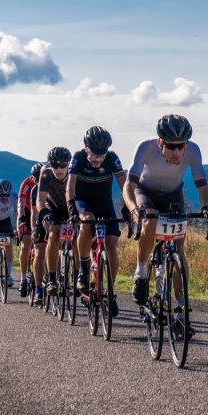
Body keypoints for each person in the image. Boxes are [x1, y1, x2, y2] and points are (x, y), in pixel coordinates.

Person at [122, 114, 208, 333]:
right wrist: (134, 209)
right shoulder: (145, 148)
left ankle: (182, 311)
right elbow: (128, 186)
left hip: (173, 194)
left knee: (179, 250)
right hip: (145, 192)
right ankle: (141, 273)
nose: (177, 152)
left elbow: (202, 187)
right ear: (160, 142)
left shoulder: (193, 151)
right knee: (150, 223)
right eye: (171, 146)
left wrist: (207, 207)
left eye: (181, 146)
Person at [66, 126, 129, 317]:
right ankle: (83, 270)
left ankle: (109, 291)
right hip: (82, 203)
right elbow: (70, 187)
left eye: (102, 155)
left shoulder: (112, 158)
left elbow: (124, 185)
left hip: (105, 204)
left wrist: (128, 207)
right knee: (87, 221)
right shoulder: (77, 158)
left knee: (111, 247)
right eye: (94, 155)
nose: (98, 159)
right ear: (86, 149)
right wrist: (71, 208)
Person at [32, 147, 74, 299]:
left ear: (68, 164)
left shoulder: (75, 174)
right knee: (54, 234)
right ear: (50, 165)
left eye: (63, 165)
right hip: (53, 207)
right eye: (54, 165)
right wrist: (44, 214)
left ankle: (78, 275)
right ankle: (52, 279)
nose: (59, 169)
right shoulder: (46, 174)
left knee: (80, 234)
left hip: (71, 207)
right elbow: (40, 200)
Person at [16, 162, 43, 297]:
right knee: (25, 246)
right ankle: (23, 280)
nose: (38, 180)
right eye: (36, 178)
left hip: (43, 213)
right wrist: (21, 221)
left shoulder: (47, 180)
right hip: (27, 213)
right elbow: (20, 204)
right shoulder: (27, 184)